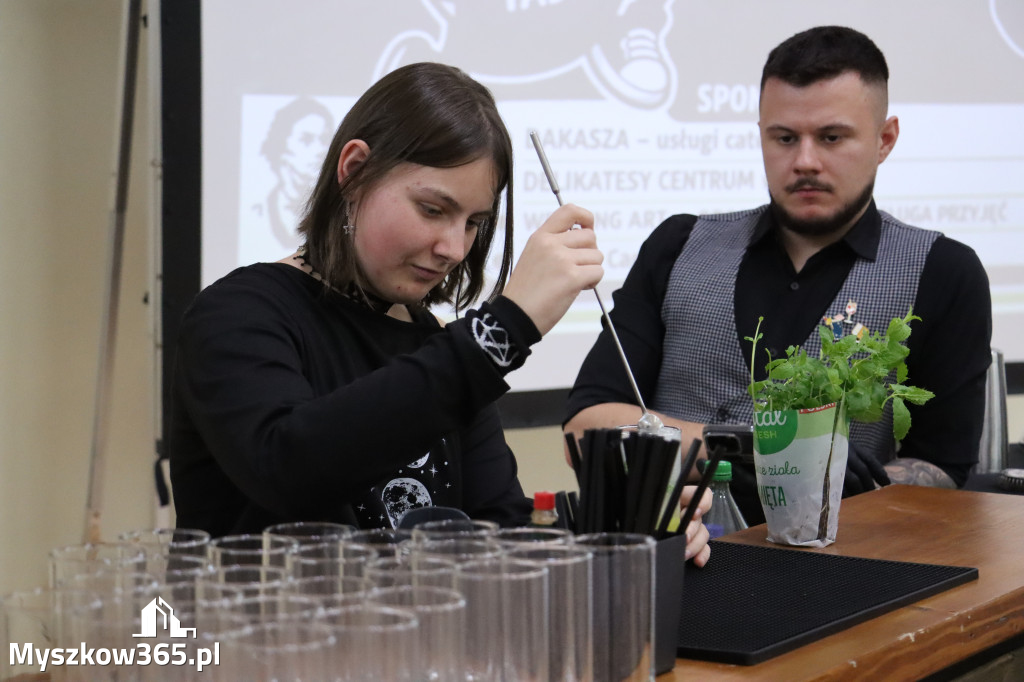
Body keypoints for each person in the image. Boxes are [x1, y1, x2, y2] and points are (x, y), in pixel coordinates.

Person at [168, 62, 712, 563]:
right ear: (354, 172)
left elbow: (503, 536)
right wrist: (504, 328)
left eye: (474, 222)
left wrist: (623, 533)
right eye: (433, 209)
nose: (454, 247)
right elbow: (288, 469)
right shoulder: (238, 313)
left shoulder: (441, 346)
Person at [564, 26, 992, 525]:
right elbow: (584, 430)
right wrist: (754, 451)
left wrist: (860, 485)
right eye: (784, 138)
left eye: (831, 137)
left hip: (844, 571)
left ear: (885, 139)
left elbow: (943, 470)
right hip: (672, 558)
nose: (804, 161)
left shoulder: (944, 272)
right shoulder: (678, 246)